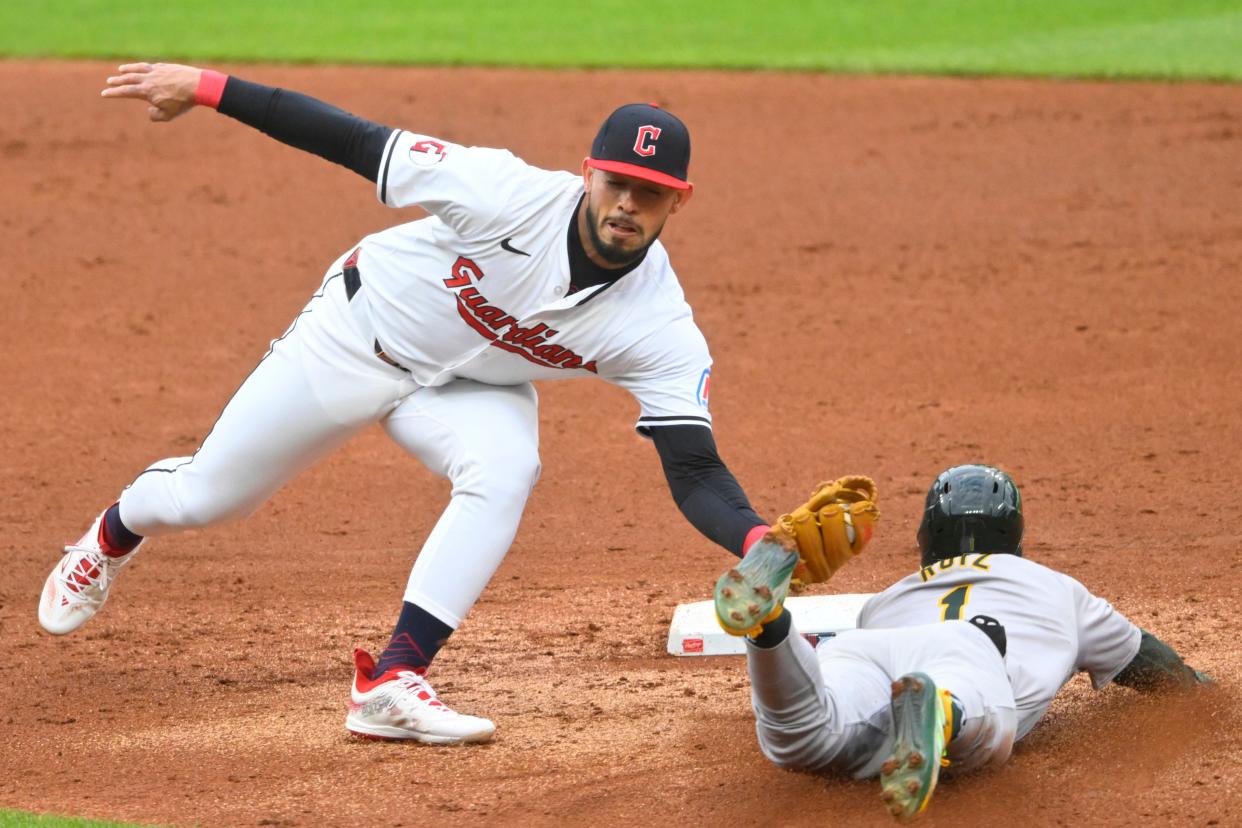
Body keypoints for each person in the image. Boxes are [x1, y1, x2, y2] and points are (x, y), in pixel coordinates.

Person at [39, 62, 778, 744]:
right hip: (355, 337)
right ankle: (108, 535)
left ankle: (392, 678)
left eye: (648, 192)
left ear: (678, 201)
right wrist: (205, 86)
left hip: (471, 387)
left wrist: (758, 544)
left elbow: (695, 471)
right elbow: (354, 139)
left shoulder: (661, 326)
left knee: (507, 467)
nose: (626, 204)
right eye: (615, 182)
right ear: (587, 175)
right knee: (204, 500)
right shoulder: (503, 192)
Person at [715, 464, 1211, 822]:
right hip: (971, 650)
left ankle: (772, 627)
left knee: (802, 737)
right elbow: (1145, 659)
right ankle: (944, 712)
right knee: (984, 720)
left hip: (867, 646)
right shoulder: (1056, 588)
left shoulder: (887, 598)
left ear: (927, 536)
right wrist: (1196, 688)